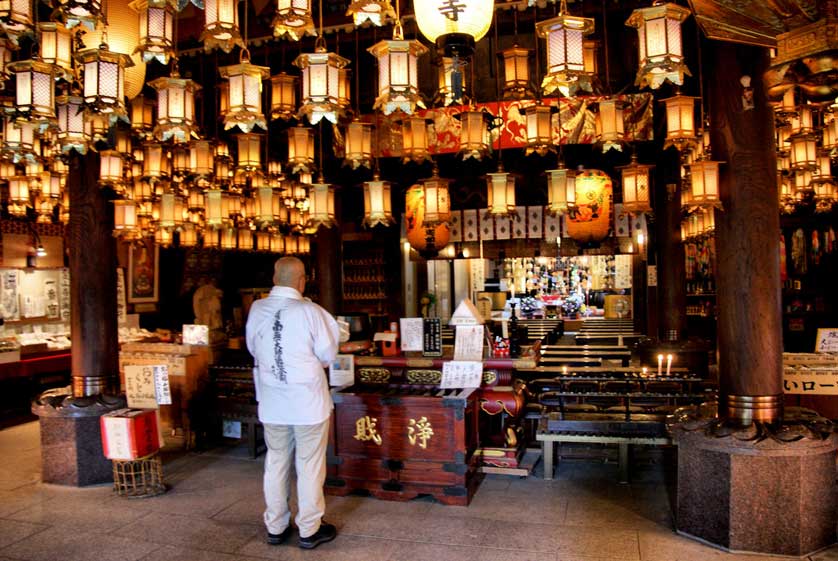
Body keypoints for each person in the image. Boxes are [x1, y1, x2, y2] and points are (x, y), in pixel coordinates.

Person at [245, 256, 341, 549]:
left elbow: (252, 348)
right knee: (309, 464)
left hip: (273, 401)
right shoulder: (311, 311)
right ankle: (309, 529)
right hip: (307, 403)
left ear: (275, 279)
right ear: (302, 281)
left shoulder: (257, 309)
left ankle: (276, 526)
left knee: (276, 461)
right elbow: (328, 355)